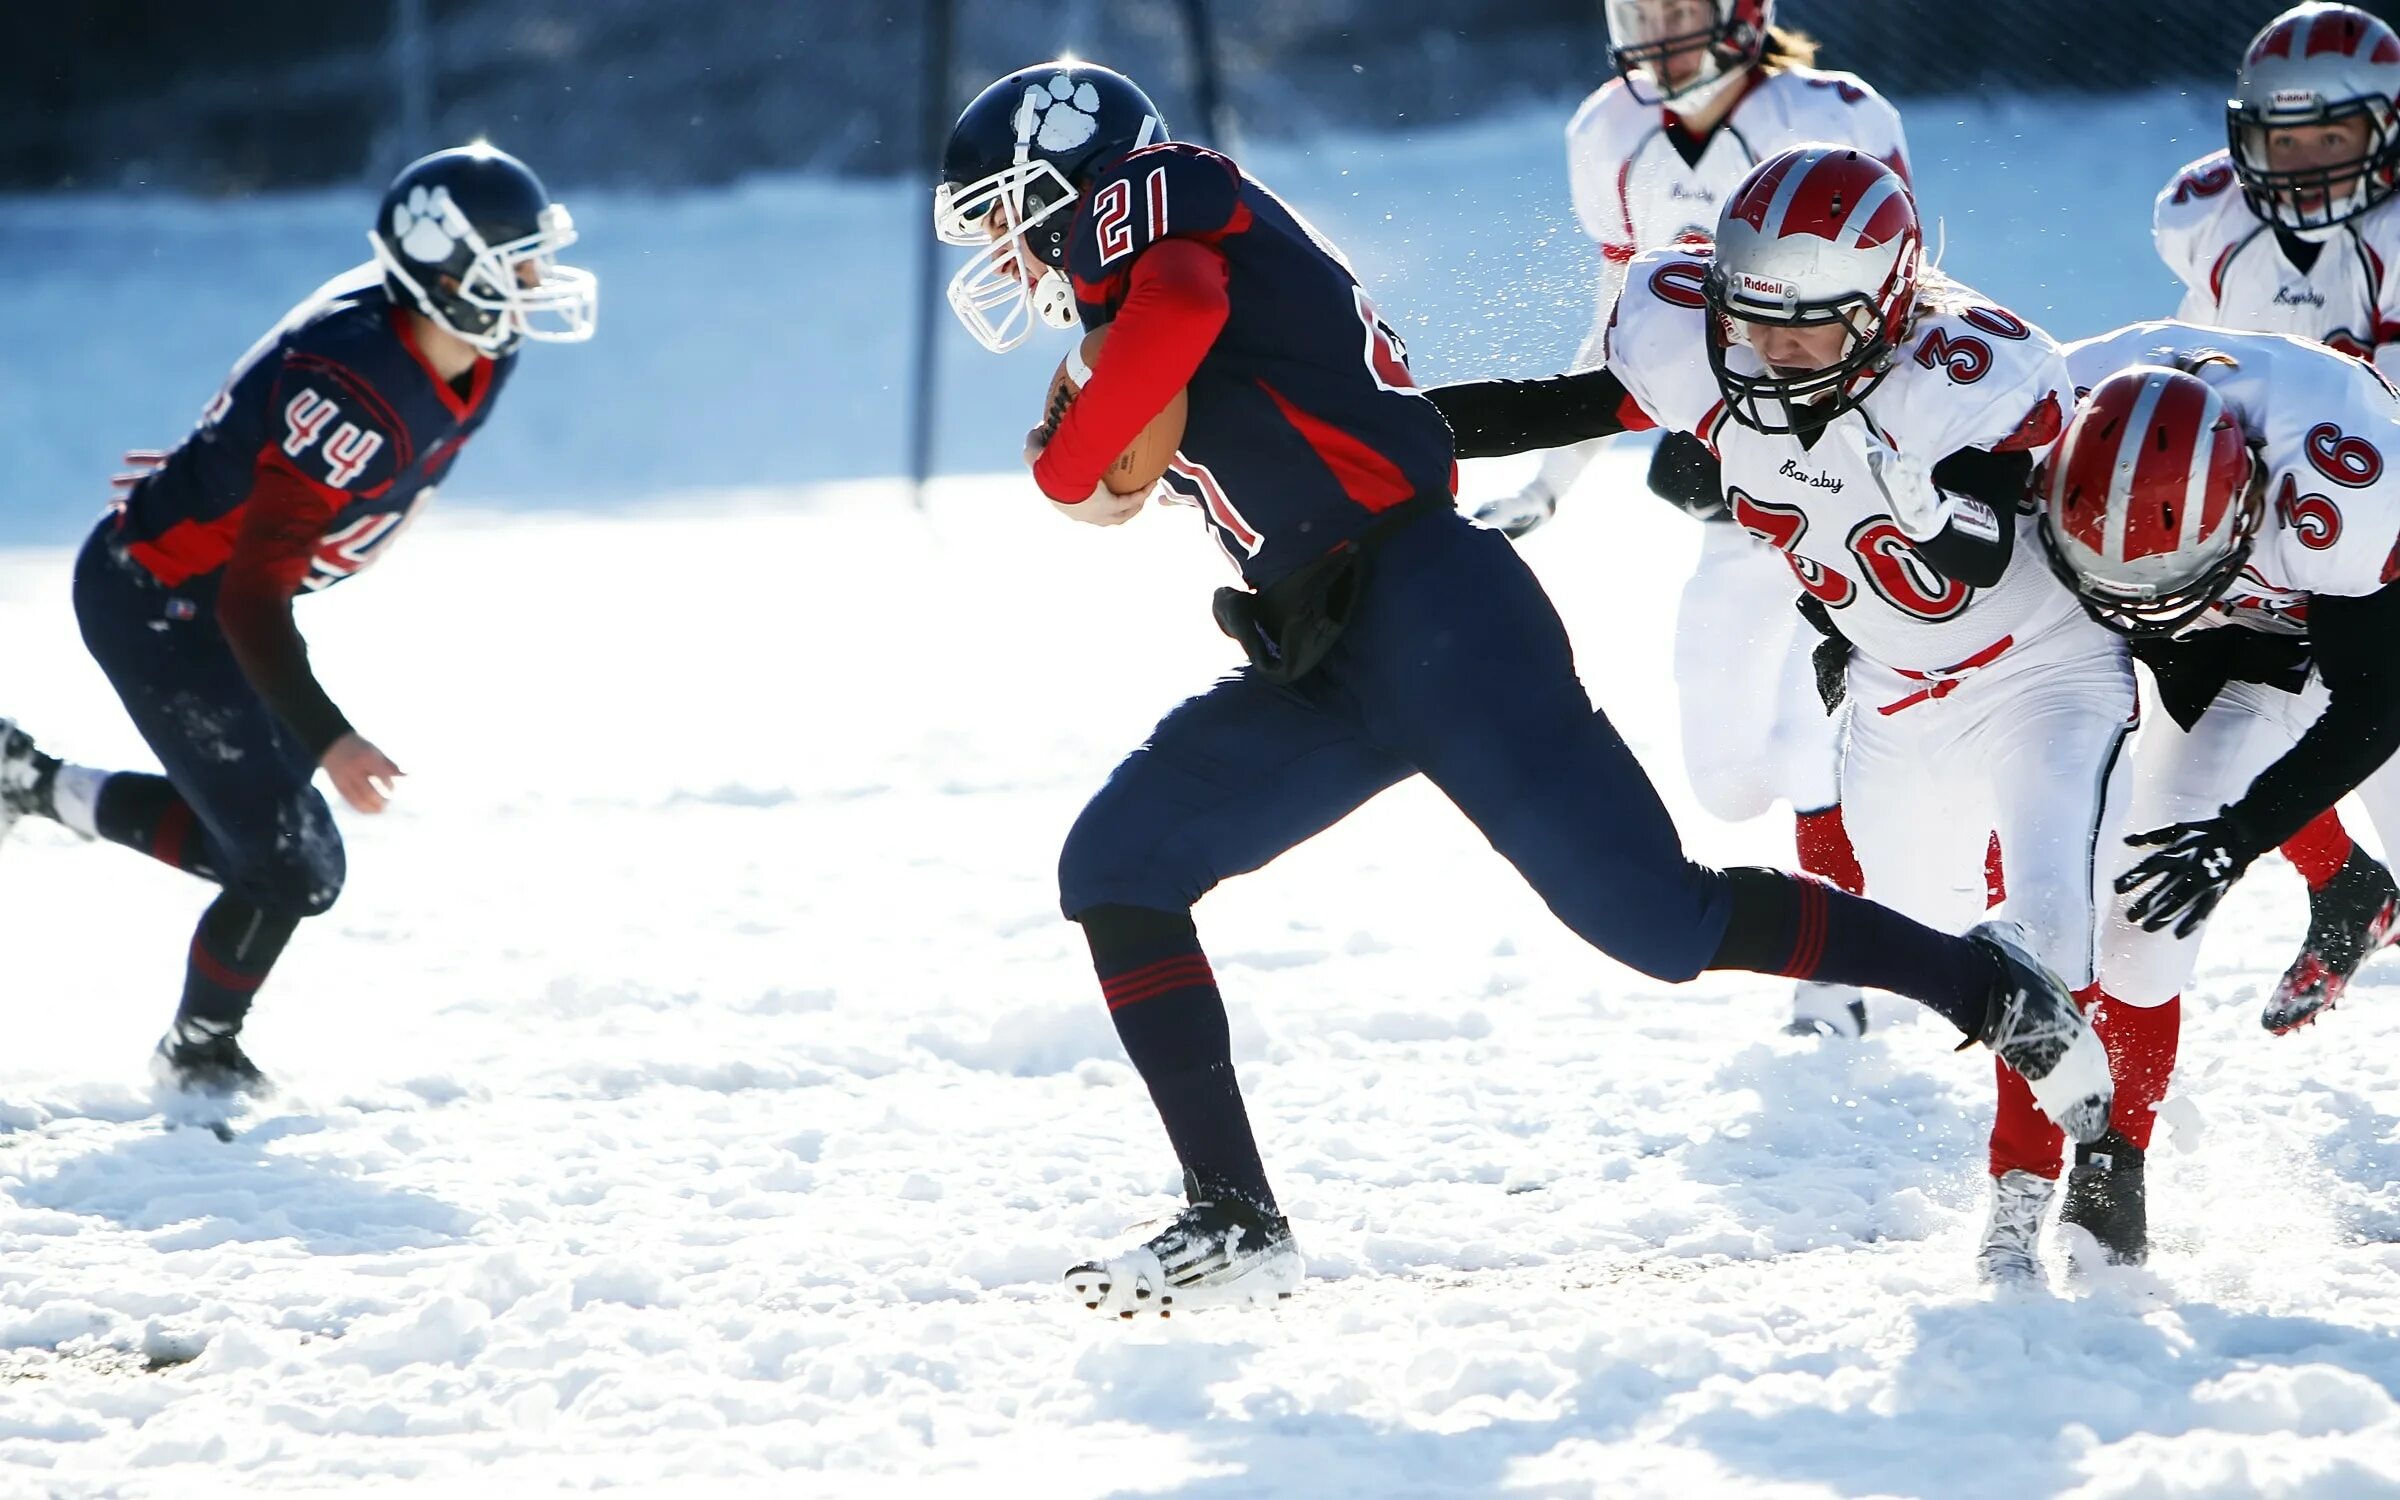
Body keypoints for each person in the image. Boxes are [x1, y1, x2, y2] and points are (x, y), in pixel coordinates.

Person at [935, 64, 2110, 1318]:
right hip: (1318, 648)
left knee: (1659, 923)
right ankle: (1234, 1215)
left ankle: (1984, 986)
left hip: (1431, 605)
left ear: (1067, 176)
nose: (1004, 252)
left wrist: (1069, 463)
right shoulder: (1146, 263)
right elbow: (1207, 404)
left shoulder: (1160, 198)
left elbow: (1167, 315)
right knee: (1119, 864)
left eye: (1006, 212)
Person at [1430, 145, 2142, 1284]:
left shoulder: (1972, 370)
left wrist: (1928, 501)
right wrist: (1359, 431)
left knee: (2045, 922)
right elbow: (1553, 408)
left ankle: (2028, 1191)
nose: (1769, 349)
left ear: (1891, 306)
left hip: (2040, 670)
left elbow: (1992, 545)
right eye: (1749, 316)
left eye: (1808, 325)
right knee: (1925, 934)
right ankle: (2092, 1069)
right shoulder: (1698, 338)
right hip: (1893, 689)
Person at [0, 143, 597, 1102]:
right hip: (164, 602)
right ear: (447, 273)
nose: (535, 283)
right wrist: (332, 737)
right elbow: (250, 597)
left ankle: (30, 783)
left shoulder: (472, 347)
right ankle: (197, 1057)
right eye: (514, 264)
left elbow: (281, 424)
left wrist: (234, 470)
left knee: (278, 856)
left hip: (213, 591)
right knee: (290, 870)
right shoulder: (361, 384)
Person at [1478, 0, 1913, 1041]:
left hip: (1841, 474)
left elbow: (1902, 302)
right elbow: (1617, 333)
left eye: (1678, 7)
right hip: (1726, 489)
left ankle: (1840, 979)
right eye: (1640, 10)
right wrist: (1553, 481)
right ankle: (1879, 831)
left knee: (1818, 738)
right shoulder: (1608, 132)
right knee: (1721, 782)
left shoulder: (1832, 112)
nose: (1657, 31)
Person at [2026, 321, 2400, 1270]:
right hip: (2219, 593)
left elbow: (2374, 705)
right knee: (2129, 914)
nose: (2142, 598)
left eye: (2159, 575)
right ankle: (2114, 1165)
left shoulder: (2342, 488)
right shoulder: (2033, 409)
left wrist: (2237, 838)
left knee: (2194, 852)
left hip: (2333, 624)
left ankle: (2356, 882)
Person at [2149, 0, 2400, 1031]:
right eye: (2281, 138)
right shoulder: (2208, 215)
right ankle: (2347, 889)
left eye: (2329, 136)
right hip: (2283, 524)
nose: (2301, 163)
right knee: (2182, 727)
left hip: (2383, 536)